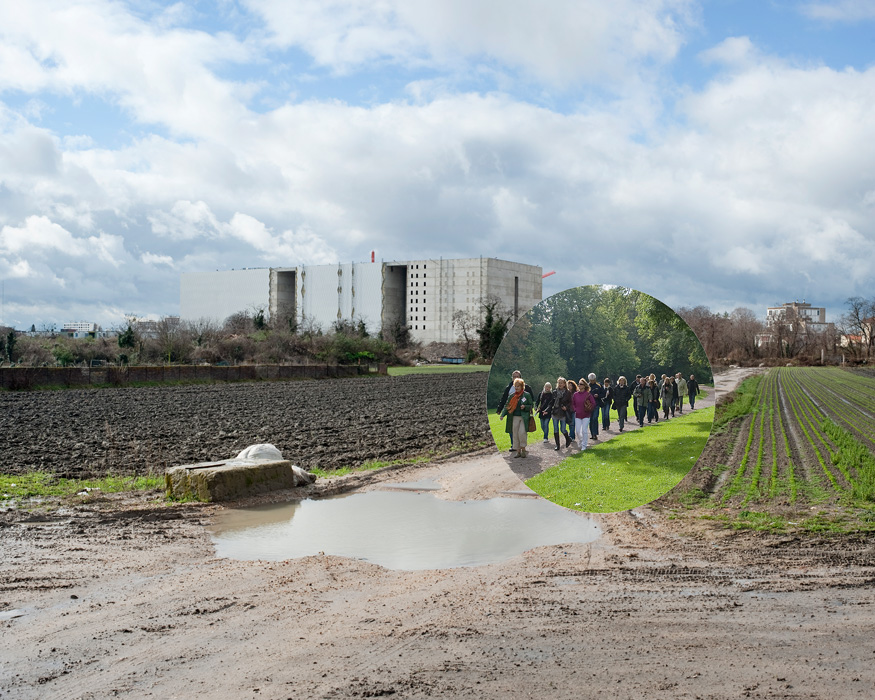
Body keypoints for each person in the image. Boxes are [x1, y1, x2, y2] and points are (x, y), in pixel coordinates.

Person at [496, 370, 533, 452]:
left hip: (523, 414)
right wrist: (500, 410)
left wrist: (527, 407)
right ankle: (515, 446)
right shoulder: (509, 388)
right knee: (513, 430)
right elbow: (505, 400)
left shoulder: (527, 388)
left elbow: (531, 401)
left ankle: (522, 447)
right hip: (512, 413)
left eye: (517, 376)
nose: (515, 378)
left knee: (522, 431)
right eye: (514, 376)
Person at [571, 379, 595, 451]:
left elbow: (593, 403)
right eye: (579, 384)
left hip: (586, 415)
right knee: (578, 431)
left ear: (584, 386)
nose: (579, 385)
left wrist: (589, 408)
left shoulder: (588, 394)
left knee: (584, 430)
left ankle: (584, 445)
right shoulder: (575, 394)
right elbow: (573, 404)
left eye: (581, 384)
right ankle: (581, 440)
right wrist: (575, 409)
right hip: (578, 415)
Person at [552, 377, 573, 450]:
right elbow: (551, 402)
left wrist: (566, 407)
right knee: (555, 429)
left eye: (561, 383)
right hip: (555, 412)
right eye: (559, 383)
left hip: (563, 413)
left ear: (564, 384)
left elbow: (570, 402)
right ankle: (557, 445)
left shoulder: (567, 393)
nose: (560, 384)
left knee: (563, 429)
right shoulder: (554, 392)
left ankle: (568, 439)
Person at [586, 373, 603, 440]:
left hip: (596, 404)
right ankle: (592, 433)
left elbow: (603, 394)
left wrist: (598, 395)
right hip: (589, 405)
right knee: (590, 420)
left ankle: (595, 433)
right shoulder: (587, 386)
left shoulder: (599, 385)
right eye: (591, 380)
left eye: (593, 380)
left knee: (595, 418)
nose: (592, 381)